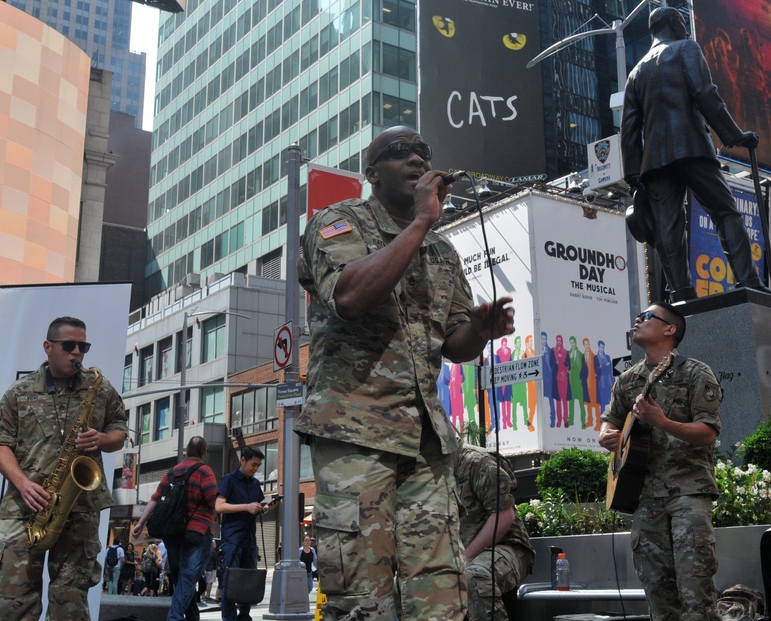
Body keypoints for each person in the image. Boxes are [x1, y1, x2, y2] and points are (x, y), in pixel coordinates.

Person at [295, 125, 516, 621]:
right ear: (371, 174)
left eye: (423, 151)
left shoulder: (442, 252)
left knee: (440, 591)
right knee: (362, 596)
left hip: (426, 442)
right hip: (355, 430)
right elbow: (350, 297)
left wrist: (480, 329)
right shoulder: (337, 221)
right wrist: (420, 222)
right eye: (399, 152)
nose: (416, 159)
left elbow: (455, 343)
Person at [0, 316, 128, 621]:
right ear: (48, 347)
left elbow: (119, 430)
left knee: (71, 599)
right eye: (69, 345)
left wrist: (102, 438)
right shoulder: (18, 392)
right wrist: (23, 483)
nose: (77, 352)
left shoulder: (100, 389)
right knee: (14, 600)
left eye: (83, 346)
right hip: (26, 506)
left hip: (79, 507)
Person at [620, 6, 762, 302]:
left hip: (655, 164)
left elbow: (630, 128)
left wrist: (634, 175)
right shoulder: (687, 48)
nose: (685, 27)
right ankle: (748, 281)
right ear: (673, 22)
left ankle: (681, 295)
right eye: (682, 22)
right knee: (725, 212)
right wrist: (734, 136)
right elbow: (705, 93)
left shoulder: (635, 73)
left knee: (667, 230)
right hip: (692, 148)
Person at [598, 303, 723, 620]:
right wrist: (607, 437)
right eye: (638, 316)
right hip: (645, 497)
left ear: (670, 330)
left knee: (696, 592)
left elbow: (708, 432)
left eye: (647, 317)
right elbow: (609, 423)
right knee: (658, 596)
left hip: (688, 493)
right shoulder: (627, 381)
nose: (638, 320)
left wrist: (662, 421)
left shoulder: (696, 372)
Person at [131, 436, 217, 621]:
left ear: (186, 450)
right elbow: (213, 500)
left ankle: (192, 617)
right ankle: (174, 617)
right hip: (198, 532)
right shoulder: (205, 471)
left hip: (173, 533)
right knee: (188, 579)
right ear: (204, 452)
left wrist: (140, 523)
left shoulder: (172, 472)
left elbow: (155, 498)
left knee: (183, 579)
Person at [454, 444, 535, 621]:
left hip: (508, 547)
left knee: (475, 575)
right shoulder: (424, 472)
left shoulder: (478, 462)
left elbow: (505, 516)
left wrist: (467, 557)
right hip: (458, 553)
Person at [215, 446, 269, 621]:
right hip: (232, 539)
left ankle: (244, 617)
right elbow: (219, 506)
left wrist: (266, 508)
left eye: (258, 466)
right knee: (230, 583)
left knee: (248, 583)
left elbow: (256, 508)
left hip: (250, 540)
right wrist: (246, 507)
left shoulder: (255, 483)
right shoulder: (229, 480)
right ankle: (229, 619)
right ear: (243, 460)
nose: (255, 469)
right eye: (253, 464)